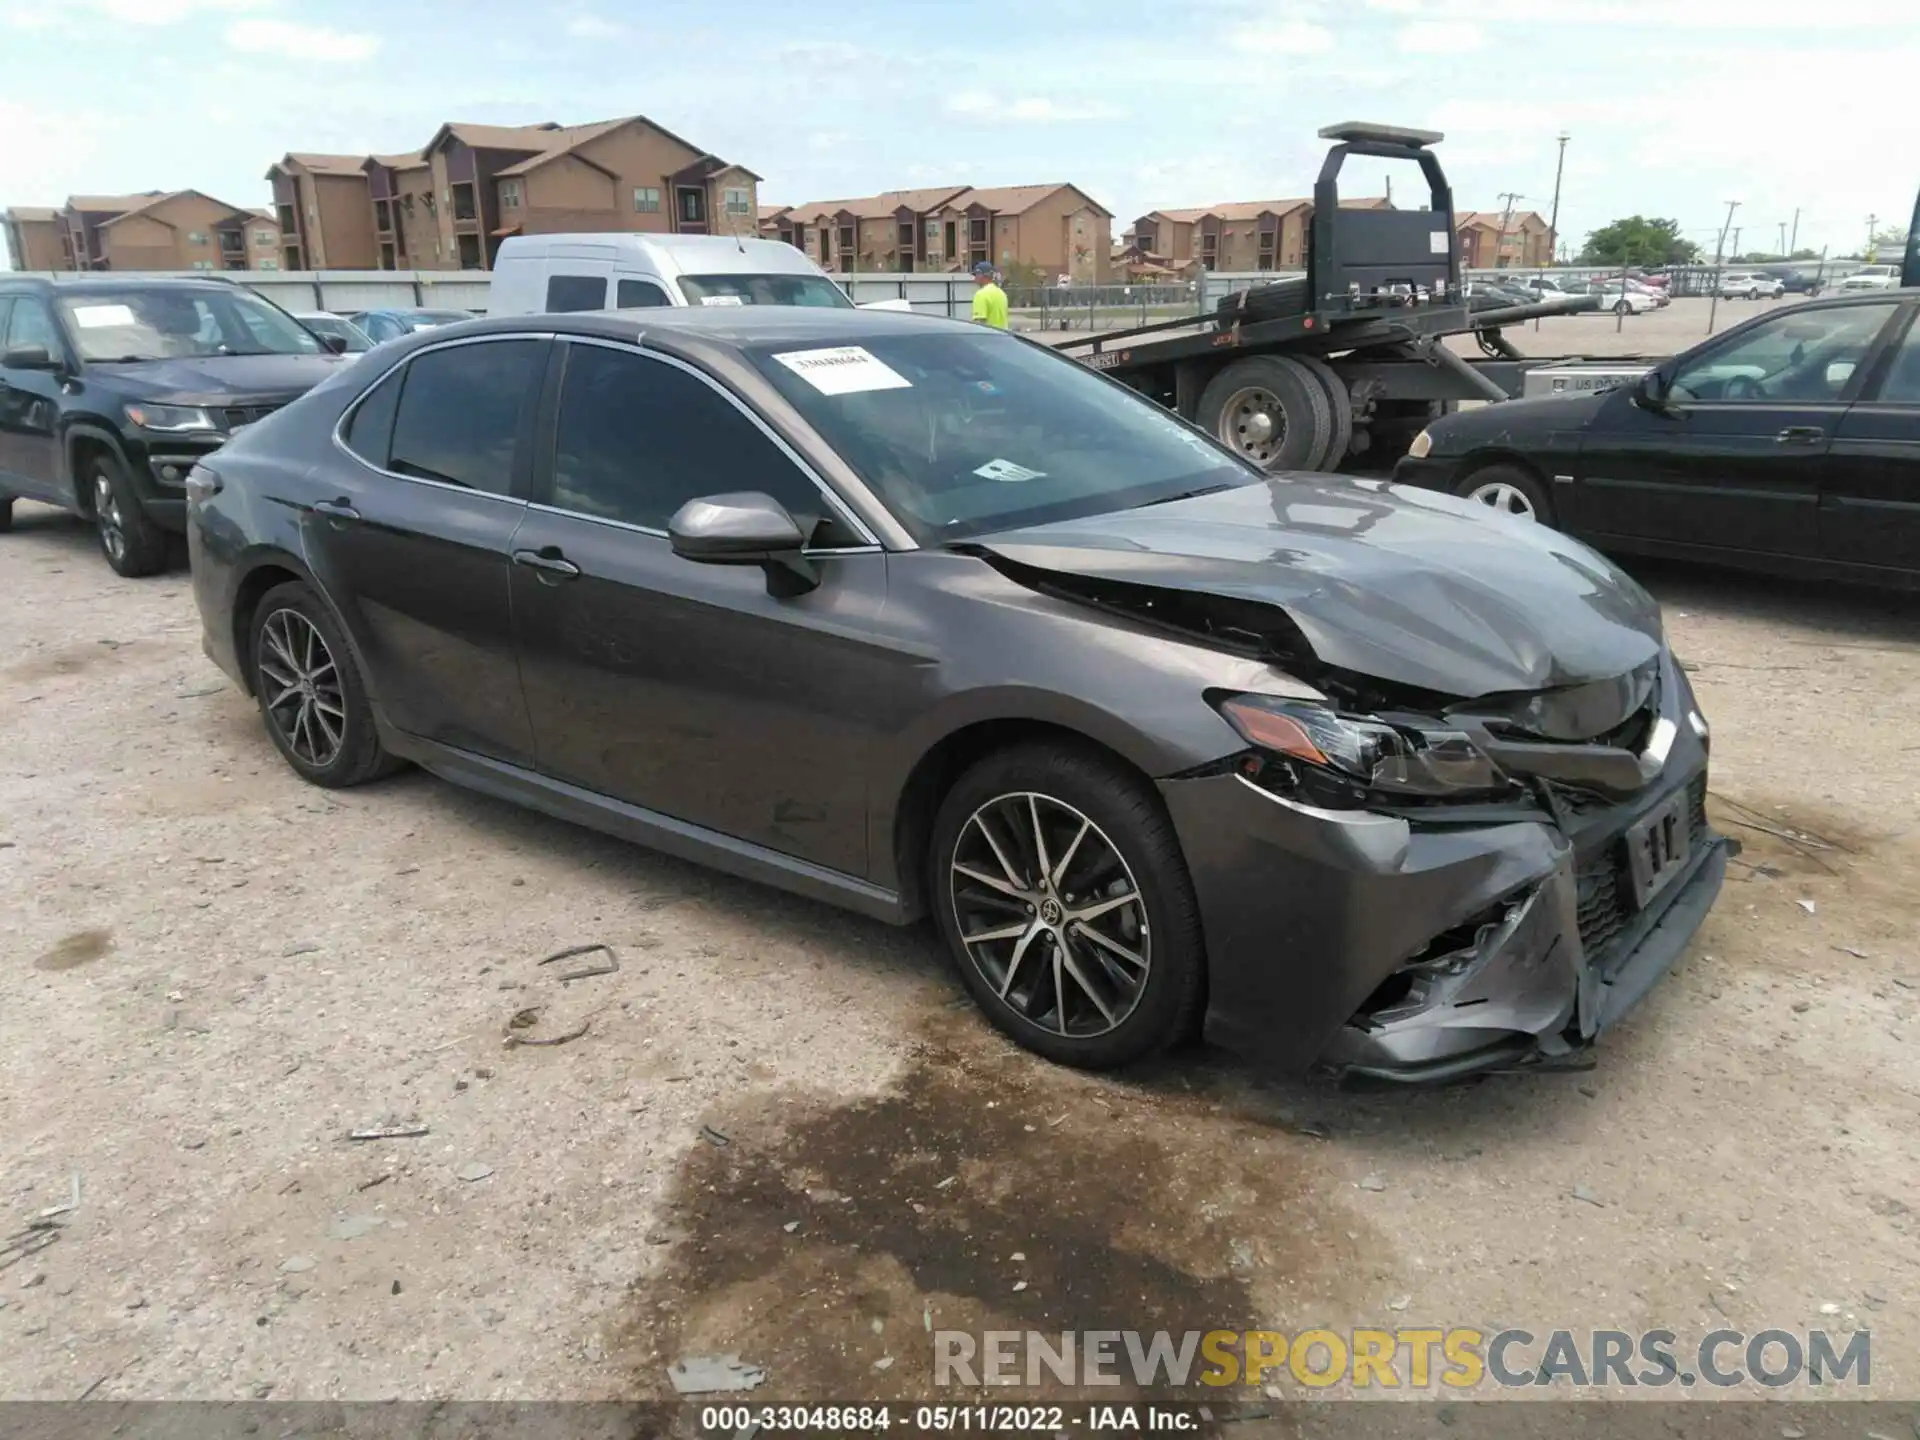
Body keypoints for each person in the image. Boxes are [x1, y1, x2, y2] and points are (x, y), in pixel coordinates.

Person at [970, 260, 1008, 329]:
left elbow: (979, 323)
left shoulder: (981, 294)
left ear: (981, 275)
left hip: (989, 337)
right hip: (1003, 336)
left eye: (975, 274)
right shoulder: (1001, 293)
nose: (974, 278)